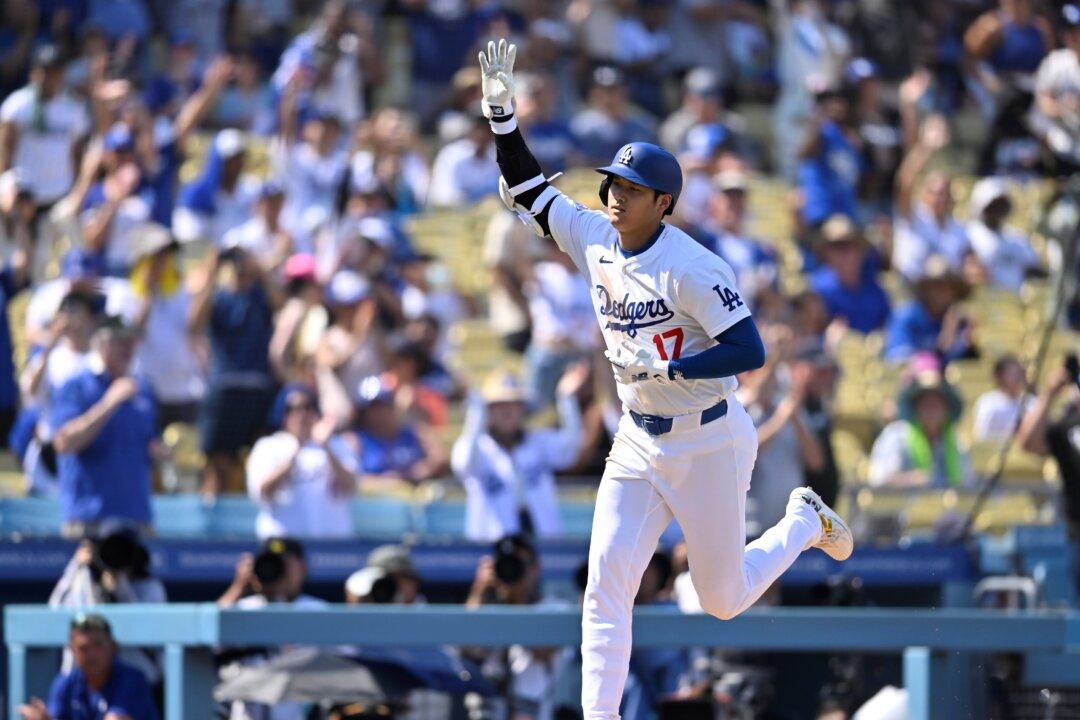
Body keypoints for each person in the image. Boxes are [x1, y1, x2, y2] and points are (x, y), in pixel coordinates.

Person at [478, 38, 851, 720]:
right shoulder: (593, 236)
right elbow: (529, 189)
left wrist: (672, 365)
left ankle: (801, 523)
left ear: (665, 201)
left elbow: (749, 349)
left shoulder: (695, 266)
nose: (616, 197)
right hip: (637, 441)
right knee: (605, 585)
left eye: (632, 189)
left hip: (708, 438)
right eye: (612, 184)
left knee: (723, 600)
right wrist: (502, 119)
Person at [452, 365, 587, 542]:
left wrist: (567, 399)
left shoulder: (539, 442)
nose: (507, 411)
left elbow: (570, 451)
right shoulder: (478, 448)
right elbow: (463, 463)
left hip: (545, 544)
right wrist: (477, 412)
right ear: (488, 411)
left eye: (513, 404)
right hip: (492, 548)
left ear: (523, 409)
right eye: (498, 405)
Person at [188, 244, 280, 497]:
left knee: (260, 456)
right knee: (218, 462)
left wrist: (258, 267)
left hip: (259, 387)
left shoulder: (260, 296)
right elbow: (194, 323)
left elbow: (280, 303)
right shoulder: (219, 298)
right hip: (226, 387)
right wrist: (212, 268)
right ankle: (211, 527)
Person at [52, 317, 157, 538]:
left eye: (132, 341)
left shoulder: (142, 389)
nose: (129, 349)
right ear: (102, 343)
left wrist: (160, 451)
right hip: (90, 519)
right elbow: (64, 442)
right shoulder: (76, 385)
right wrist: (110, 402)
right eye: (121, 341)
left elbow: (147, 443)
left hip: (136, 518)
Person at [246, 384, 358, 539]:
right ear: (284, 415)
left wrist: (326, 446)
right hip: (283, 547)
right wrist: (296, 452)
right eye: (293, 408)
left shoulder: (336, 445)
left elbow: (351, 487)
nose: (302, 414)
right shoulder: (269, 446)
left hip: (333, 548)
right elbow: (263, 492)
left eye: (307, 407)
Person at [17, 613, 158, 720]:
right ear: (72, 650)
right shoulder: (66, 683)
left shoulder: (132, 681)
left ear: (114, 647)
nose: (92, 655)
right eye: (83, 648)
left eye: (98, 645)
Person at [0, 45, 90, 207]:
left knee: (62, 233)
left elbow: (78, 154)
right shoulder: (17, 105)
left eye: (54, 73)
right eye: (44, 72)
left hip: (60, 193)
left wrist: (76, 190)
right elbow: (4, 149)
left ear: (62, 75)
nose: (48, 78)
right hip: (22, 194)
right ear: (34, 73)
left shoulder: (74, 109)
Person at [868, 370, 973, 488]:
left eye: (937, 404)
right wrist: (910, 480)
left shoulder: (957, 445)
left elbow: (966, 485)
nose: (931, 409)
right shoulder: (895, 436)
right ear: (915, 408)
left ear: (946, 409)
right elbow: (878, 479)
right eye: (926, 403)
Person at [808, 215, 891, 334]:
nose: (844, 254)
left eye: (849, 245)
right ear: (825, 253)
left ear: (861, 251)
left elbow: (888, 324)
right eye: (836, 247)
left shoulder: (874, 284)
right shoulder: (816, 289)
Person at [965, 177, 1042, 292]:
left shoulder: (1016, 236)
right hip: (983, 302)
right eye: (992, 206)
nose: (997, 210)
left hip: (1015, 303)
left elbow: (1034, 267)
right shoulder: (969, 235)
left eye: (1001, 205)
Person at [973, 354, 1029, 442]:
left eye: (1020, 372)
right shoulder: (988, 402)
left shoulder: (1031, 401)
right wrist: (1006, 435)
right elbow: (981, 436)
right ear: (999, 376)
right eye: (1014, 373)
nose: (1019, 377)